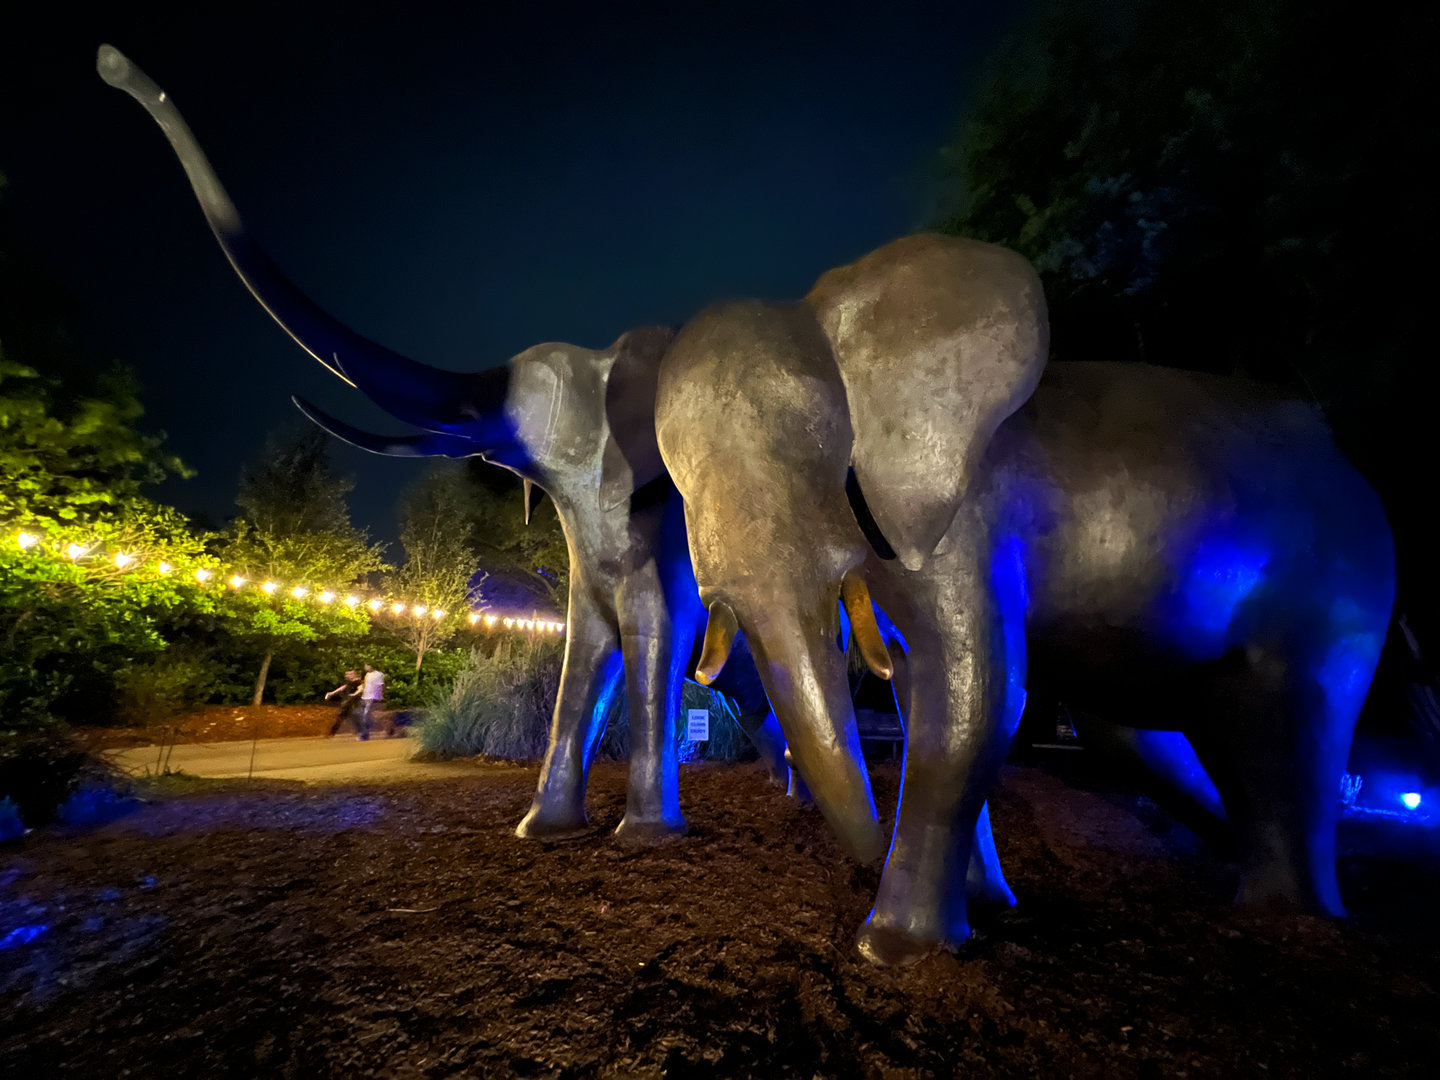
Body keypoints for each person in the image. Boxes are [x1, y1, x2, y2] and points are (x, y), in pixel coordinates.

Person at [324, 670, 363, 736]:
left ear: (354, 675)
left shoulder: (358, 682)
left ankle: (360, 731)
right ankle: (332, 732)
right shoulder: (350, 682)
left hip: (354, 702)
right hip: (348, 702)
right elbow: (343, 688)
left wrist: (355, 694)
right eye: (346, 674)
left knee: (353, 716)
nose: (346, 676)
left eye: (349, 674)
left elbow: (361, 688)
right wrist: (332, 693)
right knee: (342, 717)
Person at [356, 663, 385, 740]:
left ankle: (364, 735)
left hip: (372, 697)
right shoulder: (366, 674)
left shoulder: (379, 674)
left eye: (367, 666)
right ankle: (366, 733)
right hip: (364, 697)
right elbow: (363, 685)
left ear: (371, 665)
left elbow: (380, 686)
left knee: (365, 715)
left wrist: (380, 696)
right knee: (362, 716)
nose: (365, 667)